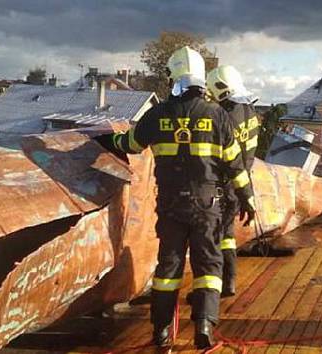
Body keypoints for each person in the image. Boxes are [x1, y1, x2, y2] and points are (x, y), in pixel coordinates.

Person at [97, 46, 255, 349]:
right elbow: (235, 164)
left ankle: (161, 332)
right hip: (207, 205)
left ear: (174, 78)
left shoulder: (157, 115)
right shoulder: (217, 115)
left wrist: (105, 140)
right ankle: (204, 326)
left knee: (167, 269)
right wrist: (247, 198)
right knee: (208, 266)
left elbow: (130, 144)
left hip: (171, 207)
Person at [205, 65, 259, 296]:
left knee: (216, 236)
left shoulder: (222, 116)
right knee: (228, 235)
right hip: (244, 181)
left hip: (224, 182)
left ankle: (216, 287)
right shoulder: (250, 111)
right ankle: (230, 281)